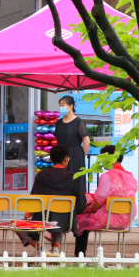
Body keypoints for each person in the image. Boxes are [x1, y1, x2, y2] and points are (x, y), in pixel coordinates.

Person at [15, 146, 86, 256]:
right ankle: (55, 248)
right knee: (57, 218)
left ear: (51, 159)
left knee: (18, 224)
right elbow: (81, 206)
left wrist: (28, 214)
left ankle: (40, 248)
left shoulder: (41, 176)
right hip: (67, 221)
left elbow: (34, 201)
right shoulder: (73, 178)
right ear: (66, 159)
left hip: (43, 220)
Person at [76, 145, 137, 256]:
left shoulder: (107, 176)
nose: (101, 161)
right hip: (125, 220)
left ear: (109, 158)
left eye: (102, 158)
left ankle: (80, 256)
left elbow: (97, 205)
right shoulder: (131, 177)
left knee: (82, 220)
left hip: (108, 219)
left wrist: (85, 210)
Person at [54, 95, 91, 256]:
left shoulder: (78, 122)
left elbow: (86, 141)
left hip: (75, 156)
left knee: (76, 186)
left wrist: (80, 157)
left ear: (71, 106)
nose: (62, 107)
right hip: (61, 156)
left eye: (64, 104)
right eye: (60, 104)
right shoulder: (58, 122)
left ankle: (77, 217)